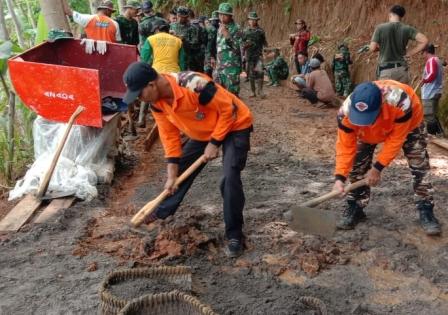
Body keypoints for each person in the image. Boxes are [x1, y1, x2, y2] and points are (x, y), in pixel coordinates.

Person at [122, 62, 254, 257]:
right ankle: (161, 212)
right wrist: (171, 174)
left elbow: (229, 109)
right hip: (204, 131)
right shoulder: (156, 104)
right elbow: (169, 137)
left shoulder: (195, 85)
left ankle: (234, 234)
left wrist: (215, 142)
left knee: (229, 178)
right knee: (180, 170)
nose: (140, 99)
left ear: (151, 85)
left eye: (140, 94)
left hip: (235, 124)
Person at [333, 81, 441, 235]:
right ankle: (355, 206)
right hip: (369, 132)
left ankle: (426, 209)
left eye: (367, 118)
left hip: (409, 124)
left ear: (382, 103)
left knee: (419, 165)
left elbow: (395, 140)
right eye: (360, 118)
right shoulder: (345, 114)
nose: (364, 123)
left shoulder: (401, 103)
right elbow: (345, 147)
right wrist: (339, 177)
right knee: (358, 165)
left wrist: (377, 168)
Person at [370, 4, 428, 84]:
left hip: (386, 71)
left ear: (390, 14)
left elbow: (372, 48)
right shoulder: (407, 28)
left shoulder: (380, 28)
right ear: (401, 16)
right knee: (402, 96)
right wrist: (409, 53)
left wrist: (381, 48)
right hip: (402, 70)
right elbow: (424, 40)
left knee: (386, 96)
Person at [215, 3, 243, 96]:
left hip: (232, 68)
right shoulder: (220, 27)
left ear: (230, 16)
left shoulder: (236, 28)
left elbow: (238, 47)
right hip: (220, 67)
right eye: (220, 14)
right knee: (218, 95)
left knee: (232, 96)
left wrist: (226, 34)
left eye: (225, 14)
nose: (222, 17)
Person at [242, 12, 268, 98]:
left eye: (254, 20)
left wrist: (265, 50)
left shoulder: (261, 31)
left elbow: (264, 42)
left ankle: (260, 91)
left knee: (260, 72)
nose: (252, 21)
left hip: (258, 55)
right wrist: (244, 47)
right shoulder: (245, 31)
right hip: (249, 56)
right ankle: (253, 92)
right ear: (248, 21)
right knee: (251, 75)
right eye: (251, 20)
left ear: (257, 21)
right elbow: (241, 43)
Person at [421, 44, 444, 135]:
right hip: (436, 91)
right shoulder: (437, 60)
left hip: (430, 92)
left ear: (426, 52)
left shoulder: (431, 61)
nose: (422, 56)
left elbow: (432, 74)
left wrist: (424, 80)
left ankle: (432, 135)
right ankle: (440, 133)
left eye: (422, 53)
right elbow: (444, 63)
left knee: (428, 115)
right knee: (433, 115)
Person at [204, 11, 219, 78]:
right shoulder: (211, 29)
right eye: (213, 20)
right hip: (210, 52)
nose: (214, 22)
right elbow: (210, 44)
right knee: (209, 69)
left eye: (216, 20)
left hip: (216, 52)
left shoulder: (219, 28)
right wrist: (211, 56)